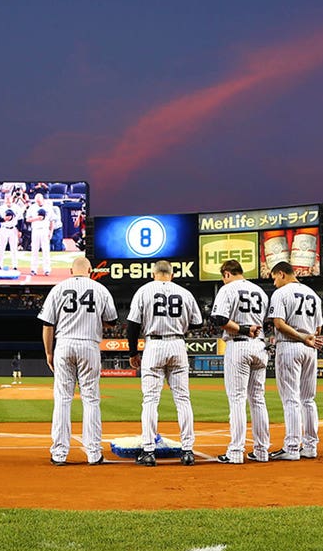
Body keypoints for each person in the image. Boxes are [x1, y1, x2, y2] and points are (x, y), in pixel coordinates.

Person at [38, 256, 118, 465]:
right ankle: (93, 453)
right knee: (91, 399)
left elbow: (48, 324)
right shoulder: (100, 289)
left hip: (64, 344)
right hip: (89, 345)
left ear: (70, 271)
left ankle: (59, 453)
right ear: (90, 270)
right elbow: (111, 321)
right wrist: (93, 319)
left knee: (63, 399)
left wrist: (49, 353)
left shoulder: (58, 289)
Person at [126, 260, 203, 467]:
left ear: (153, 274)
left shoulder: (144, 290)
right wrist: (179, 326)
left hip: (154, 344)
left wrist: (133, 352)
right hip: (178, 344)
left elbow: (132, 325)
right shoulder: (184, 293)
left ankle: (148, 451)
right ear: (172, 275)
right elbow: (198, 323)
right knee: (183, 399)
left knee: (150, 400)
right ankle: (187, 451)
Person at [209, 259, 270, 464]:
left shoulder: (227, 289)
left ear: (227, 273)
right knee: (258, 400)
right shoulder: (260, 291)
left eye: (223, 277)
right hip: (259, 346)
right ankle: (262, 451)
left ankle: (235, 451)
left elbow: (218, 318)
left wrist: (243, 328)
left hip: (239, 345)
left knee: (237, 399)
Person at [267, 261, 323, 460]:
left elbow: (279, 324)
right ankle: (310, 447)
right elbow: (318, 329)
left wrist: (300, 336)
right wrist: (306, 337)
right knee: (308, 399)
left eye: (274, 278)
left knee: (291, 399)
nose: (274, 283)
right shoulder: (313, 295)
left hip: (290, 346)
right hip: (310, 348)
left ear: (282, 274)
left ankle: (291, 447)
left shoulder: (281, 293)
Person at [27, 194, 53, 276]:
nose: (38, 202)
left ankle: (47, 269)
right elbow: (27, 219)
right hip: (36, 230)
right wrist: (37, 218)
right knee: (34, 250)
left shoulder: (48, 207)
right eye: (37, 201)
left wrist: (51, 231)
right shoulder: (32, 207)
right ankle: (33, 269)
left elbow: (52, 220)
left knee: (46, 250)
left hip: (45, 230)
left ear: (42, 199)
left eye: (39, 201)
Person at [0, 197, 22, 271]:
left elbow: (20, 220)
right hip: (4, 228)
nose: (8, 203)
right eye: (7, 201)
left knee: (14, 248)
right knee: (1, 247)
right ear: (5, 201)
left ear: (12, 200)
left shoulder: (17, 208)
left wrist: (20, 230)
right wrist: (4, 219)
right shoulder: (1, 208)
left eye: (9, 201)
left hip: (13, 228)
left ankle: (15, 265)